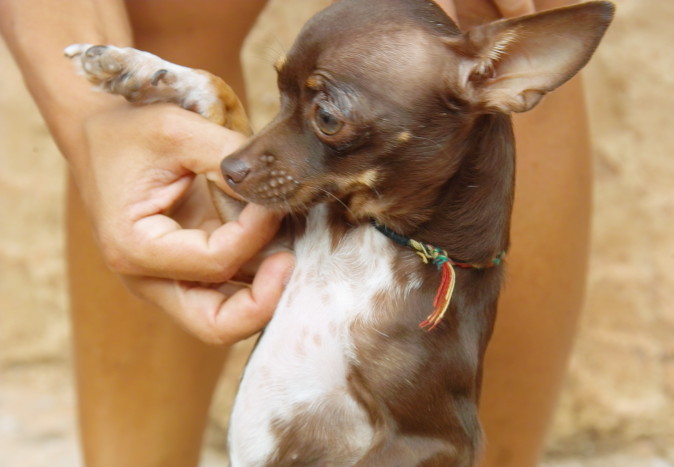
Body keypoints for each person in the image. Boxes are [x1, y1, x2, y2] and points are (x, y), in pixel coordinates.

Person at [0, 0, 591, 465]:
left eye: (327, 119)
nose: (241, 161)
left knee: (493, 6)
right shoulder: (330, 209)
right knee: (174, 13)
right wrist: (99, 122)